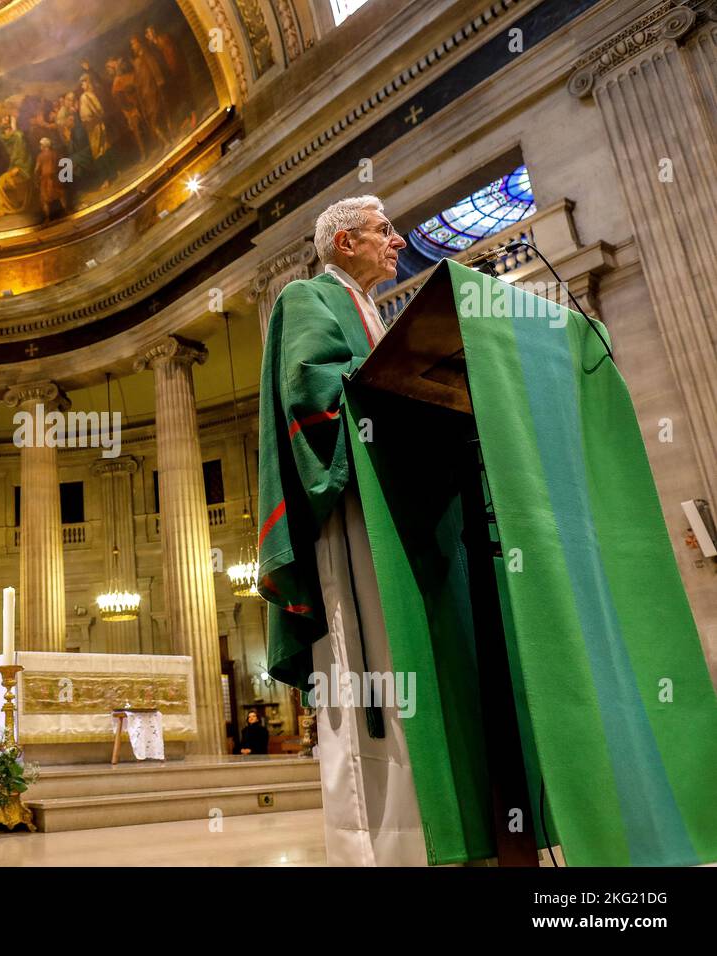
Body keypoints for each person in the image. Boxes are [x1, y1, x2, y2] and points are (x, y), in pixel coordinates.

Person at [257, 195, 419, 866]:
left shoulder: (374, 311)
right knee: (367, 669)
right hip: (351, 507)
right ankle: (376, 848)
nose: (400, 241)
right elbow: (307, 387)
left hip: (395, 501)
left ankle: (431, 833)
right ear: (346, 241)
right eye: (384, 231)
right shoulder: (306, 298)